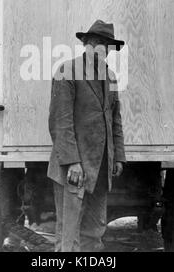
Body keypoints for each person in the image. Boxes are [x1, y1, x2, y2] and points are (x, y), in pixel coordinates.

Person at [48, 19, 126, 252]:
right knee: (69, 235)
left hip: (100, 168)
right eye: (100, 43)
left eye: (108, 46)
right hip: (74, 169)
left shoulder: (110, 77)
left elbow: (115, 118)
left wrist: (118, 157)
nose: (105, 50)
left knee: (94, 232)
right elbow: (60, 122)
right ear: (88, 44)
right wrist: (73, 162)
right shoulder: (66, 71)